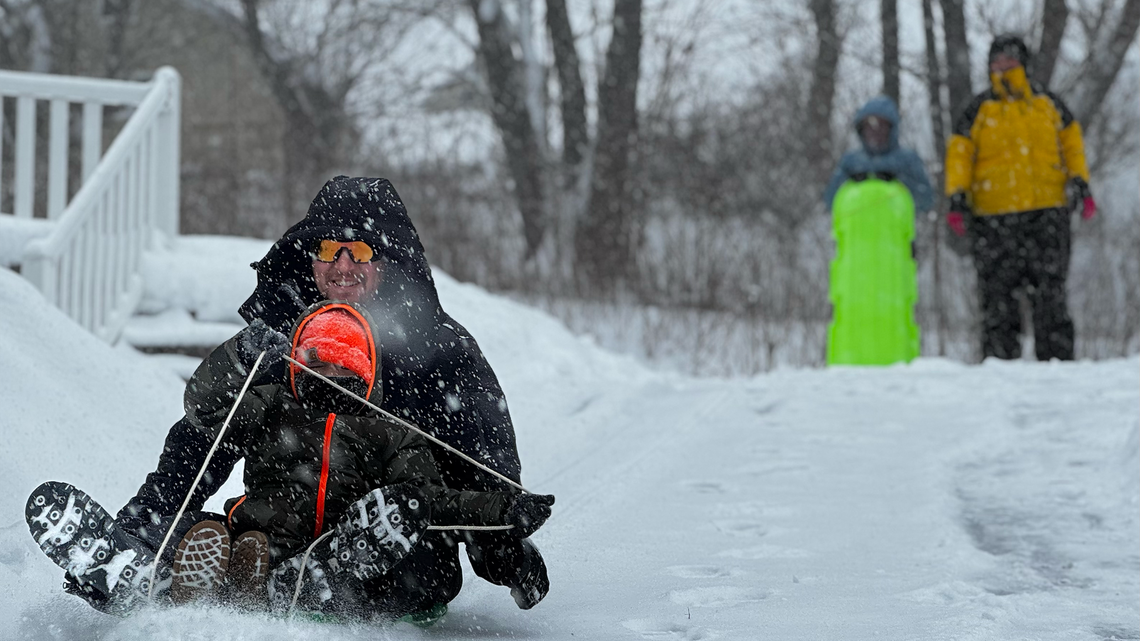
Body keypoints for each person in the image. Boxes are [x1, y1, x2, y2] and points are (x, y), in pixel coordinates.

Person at [92, 176, 548, 616]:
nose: (343, 266)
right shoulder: (286, 336)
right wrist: (144, 521)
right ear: (310, 257)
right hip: (281, 529)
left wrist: (504, 547)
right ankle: (147, 557)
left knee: (425, 562)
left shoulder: (440, 352)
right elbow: (208, 427)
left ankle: (320, 580)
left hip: (390, 543)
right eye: (329, 249)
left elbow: (480, 459)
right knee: (204, 493)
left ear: (387, 261)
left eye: (361, 251)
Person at [171, 301, 554, 619]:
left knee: (405, 510)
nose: (329, 375)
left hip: (346, 553)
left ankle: (303, 579)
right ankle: (228, 577)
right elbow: (203, 408)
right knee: (195, 529)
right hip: (268, 536)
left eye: (343, 364)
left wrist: (504, 509)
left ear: (366, 373)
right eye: (317, 362)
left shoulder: (389, 432)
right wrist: (240, 354)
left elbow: (430, 499)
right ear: (297, 364)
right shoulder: (272, 405)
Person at [944, 34, 1095, 361]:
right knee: (997, 301)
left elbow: (1073, 146)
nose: (1002, 66)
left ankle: (1058, 365)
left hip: (1047, 213)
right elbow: (959, 156)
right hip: (992, 217)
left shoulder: (1049, 104)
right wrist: (956, 196)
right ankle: (1000, 367)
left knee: (1050, 295)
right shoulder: (977, 109)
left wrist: (1081, 184)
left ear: (1024, 64)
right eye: (996, 61)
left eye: (1009, 59)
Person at [823, 95, 934, 213]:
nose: (875, 132)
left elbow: (926, 200)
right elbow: (831, 200)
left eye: (881, 125)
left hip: (895, 224)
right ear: (861, 129)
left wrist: (897, 181)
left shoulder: (907, 160)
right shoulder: (851, 161)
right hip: (856, 224)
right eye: (869, 126)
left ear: (892, 128)